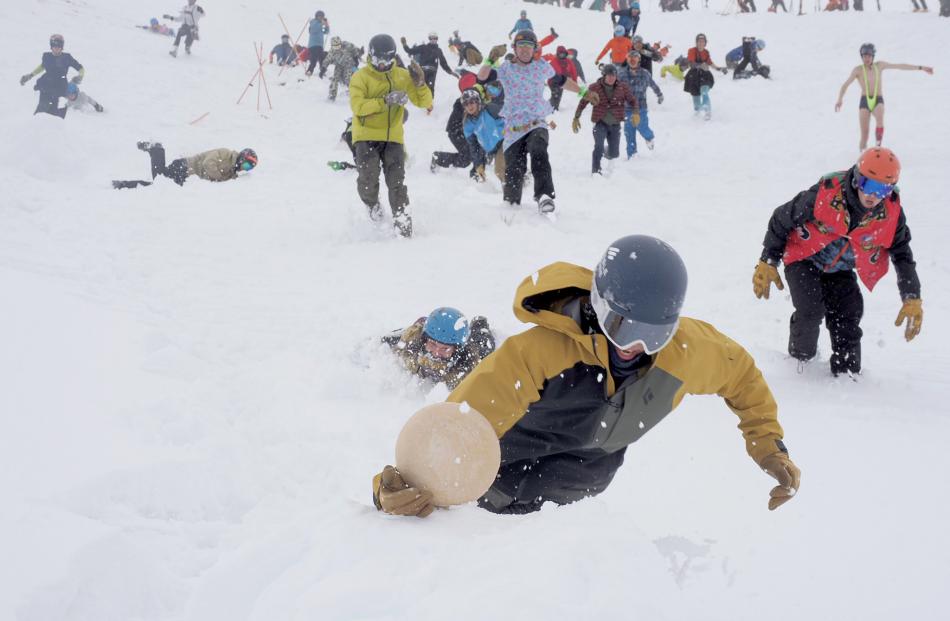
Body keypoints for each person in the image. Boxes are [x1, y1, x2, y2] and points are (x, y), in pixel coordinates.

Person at [373, 235, 802, 517]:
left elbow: (743, 378)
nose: (632, 346)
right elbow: (460, 421)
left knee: (549, 543)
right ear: (598, 304)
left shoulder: (687, 353)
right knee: (474, 519)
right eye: (621, 326)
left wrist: (769, 448)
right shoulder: (539, 351)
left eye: (651, 336)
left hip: (587, 471)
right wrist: (404, 483)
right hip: (506, 454)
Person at [753, 147, 922, 378]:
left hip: (840, 269)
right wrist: (768, 260)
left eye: (882, 189)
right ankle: (800, 365)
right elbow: (782, 217)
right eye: (868, 185)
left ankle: (847, 375)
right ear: (857, 179)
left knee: (849, 315)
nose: (873, 195)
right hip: (804, 258)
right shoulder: (826, 195)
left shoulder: (891, 213)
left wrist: (911, 296)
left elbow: (902, 253)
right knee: (811, 311)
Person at [479, 30, 597, 214]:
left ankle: (544, 195)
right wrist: (490, 59)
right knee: (514, 172)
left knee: (539, 149)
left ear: (535, 49)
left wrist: (583, 92)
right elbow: (482, 77)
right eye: (521, 46)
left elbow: (561, 81)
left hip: (536, 121)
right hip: (513, 127)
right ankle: (511, 205)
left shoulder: (541, 66)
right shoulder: (506, 69)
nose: (525, 50)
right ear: (515, 48)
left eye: (529, 46)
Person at [350, 34, 432, 238]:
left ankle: (403, 224)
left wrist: (421, 84)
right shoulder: (360, 77)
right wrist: (384, 101)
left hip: (393, 138)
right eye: (379, 60)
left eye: (388, 60)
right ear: (371, 56)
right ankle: (372, 204)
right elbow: (358, 106)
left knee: (396, 182)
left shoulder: (402, 76)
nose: (383, 65)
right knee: (368, 180)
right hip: (365, 136)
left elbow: (424, 103)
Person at [834, 43, 934, 151]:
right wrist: (840, 99)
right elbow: (845, 85)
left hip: (878, 99)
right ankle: (862, 157)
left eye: (869, 56)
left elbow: (900, 66)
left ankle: (878, 146)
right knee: (864, 135)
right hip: (865, 101)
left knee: (880, 118)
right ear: (861, 57)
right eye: (864, 56)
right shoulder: (858, 70)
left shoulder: (879, 65)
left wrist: (921, 68)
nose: (866, 58)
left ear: (873, 56)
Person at [381, 307, 496, 390]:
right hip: (424, 328)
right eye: (432, 344)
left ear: (456, 350)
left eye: (445, 348)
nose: (436, 353)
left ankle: (479, 324)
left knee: (483, 343)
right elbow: (387, 342)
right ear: (424, 340)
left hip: (473, 344)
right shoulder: (411, 342)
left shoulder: (469, 365)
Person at [573, 64, 637, 175]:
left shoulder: (623, 87)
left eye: (614, 75)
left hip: (615, 123)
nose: (612, 78)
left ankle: (607, 151)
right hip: (600, 122)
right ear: (604, 76)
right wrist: (576, 117)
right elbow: (583, 102)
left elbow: (633, 100)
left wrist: (636, 112)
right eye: (609, 76)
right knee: (598, 147)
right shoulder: (594, 87)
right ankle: (596, 171)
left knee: (614, 153)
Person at [112, 142, 257, 189]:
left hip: (187, 177)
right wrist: (219, 179)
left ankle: (123, 184)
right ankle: (156, 149)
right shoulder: (225, 154)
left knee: (156, 187)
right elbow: (207, 164)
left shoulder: (232, 172)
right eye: (246, 165)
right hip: (185, 167)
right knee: (158, 182)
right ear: (241, 158)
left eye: (249, 168)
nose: (245, 168)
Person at [19, 34, 84, 119]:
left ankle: (55, 129)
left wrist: (80, 76)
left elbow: (80, 68)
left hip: (60, 87)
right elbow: (42, 66)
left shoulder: (67, 58)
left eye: (59, 46)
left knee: (55, 114)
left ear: (62, 47)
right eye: (54, 46)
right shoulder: (47, 57)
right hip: (46, 85)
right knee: (41, 110)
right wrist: (30, 75)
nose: (56, 48)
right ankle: (35, 125)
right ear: (51, 46)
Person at [617, 50, 662, 158]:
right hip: (627, 108)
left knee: (642, 126)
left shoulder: (645, 73)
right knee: (629, 132)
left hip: (641, 107)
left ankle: (649, 137)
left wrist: (659, 94)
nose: (632, 60)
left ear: (639, 60)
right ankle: (631, 154)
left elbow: (653, 84)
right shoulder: (621, 74)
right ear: (627, 60)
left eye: (635, 57)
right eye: (630, 58)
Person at [462, 87, 506, 183]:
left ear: (477, 101)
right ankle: (522, 180)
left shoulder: (490, 109)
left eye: (471, 102)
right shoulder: (468, 125)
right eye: (466, 104)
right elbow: (474, 146)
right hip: (492, 150)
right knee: (505, 169)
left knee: (500, 170)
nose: (469, 106)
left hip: (505, 141)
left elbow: (509, 112)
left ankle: (511, 191)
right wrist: (479, 164)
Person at [684, 33, 727, 121]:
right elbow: (691, 63)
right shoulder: (692, 50)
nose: (701, 43)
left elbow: (710, 63)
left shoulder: (706, 52)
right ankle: (697, 112)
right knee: (695, 97)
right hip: (693, 76)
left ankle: (708, 112)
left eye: (703, 41)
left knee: (704, 91)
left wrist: (719, 69)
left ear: (705, 43)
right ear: (696, 42)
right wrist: (700, 65)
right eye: (699, 41)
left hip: (705, 75)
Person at [400, 33, 457, 98]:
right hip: (422, 71)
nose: (433, 40)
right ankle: (420, 102)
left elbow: (443, 63)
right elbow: (410, 51)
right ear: (429, 39)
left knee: (430, 88)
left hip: (432, 72)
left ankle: (430, 104)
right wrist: (404, 44)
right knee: (421, 87)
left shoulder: (438, 50)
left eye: (435, 38)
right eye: (431, 38)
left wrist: (450, 72)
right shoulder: (423, 47)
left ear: (437, 39)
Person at [321, 36, 362, 101]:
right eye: (335, 47)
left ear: (340, 43)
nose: (337, 48)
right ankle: (332, 95)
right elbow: (327, 59)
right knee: (335, 78)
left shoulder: (346, 45)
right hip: (339, 65)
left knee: (347, 79)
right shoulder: (332, 51)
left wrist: (356, 57)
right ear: (332, 46)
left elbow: (354, 49)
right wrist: (323, 68)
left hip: (349, 64)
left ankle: (355, 92)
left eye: (338, 46)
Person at [544, 46, 578, 111]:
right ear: (557, 54)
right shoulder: (554, 61)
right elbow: (550, 71)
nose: (562, 55)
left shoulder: (568, 61)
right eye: (560, 54)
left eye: (563, 54)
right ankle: (553, 108)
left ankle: (550, 105)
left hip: (562, 81)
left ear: (566, 54)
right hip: (553, 82)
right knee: (556, 94)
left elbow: (573, 71)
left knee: (559, 95)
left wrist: (574, 81)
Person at [306, 10, 330, 77]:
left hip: (320, 45)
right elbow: (313, 29)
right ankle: (310, 70)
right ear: (316, 16)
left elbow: (325, 32)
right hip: (313, 45)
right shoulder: (313, 22)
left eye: (322, 16)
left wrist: (326, 25)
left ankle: (322, 70)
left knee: (321, 58)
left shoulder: (320, 24)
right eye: (319, 16)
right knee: (314, 58)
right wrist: (322, 23)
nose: (321, 18)